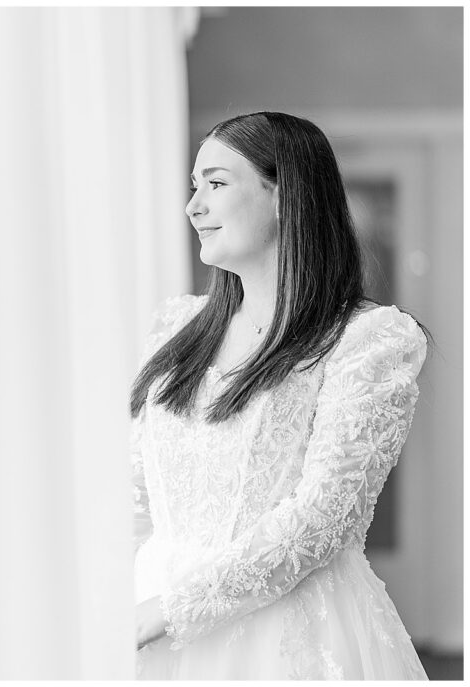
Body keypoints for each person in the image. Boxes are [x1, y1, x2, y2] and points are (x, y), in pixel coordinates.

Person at [130, 111, 430, 680]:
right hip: (146, 628)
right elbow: (134, 493)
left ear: (283, 196)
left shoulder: (369, 340)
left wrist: (171, 612)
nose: (194, 207)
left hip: (292, 633)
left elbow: (321, 519)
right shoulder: (176, 328)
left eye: (216, 184)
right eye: (194, 187)